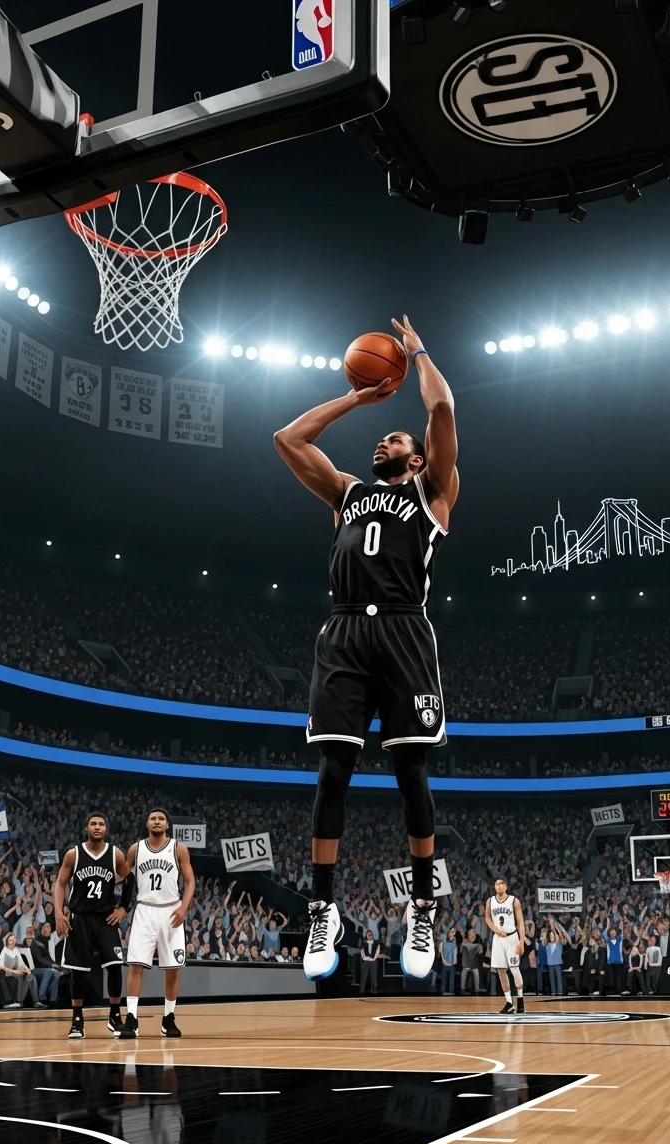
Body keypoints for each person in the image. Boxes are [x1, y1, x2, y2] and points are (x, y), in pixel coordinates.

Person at [274, 315, 459, 983]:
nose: (384, 439)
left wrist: (415, 353)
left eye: (395, 437)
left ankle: (422, 906)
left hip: (407, 630)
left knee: (412, 774)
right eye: (380, 437)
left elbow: (440, 406)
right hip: (346, 629)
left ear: (416, 458)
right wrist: (356, 398)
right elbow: (287, 438)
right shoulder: (347, 494)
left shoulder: (433, 493)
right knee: (334, 773)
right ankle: (322, 909)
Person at [117, 809, 195, 1040]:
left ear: (167, 825)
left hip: (171, 911)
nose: (157, 821)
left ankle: (168, 1019)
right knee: (135, 966)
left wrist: (183, 908)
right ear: (147, 823)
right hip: (144, 910)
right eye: (153, 818)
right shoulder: (136, 848)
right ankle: (131, 1019)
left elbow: (190, 882)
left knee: (172, 969)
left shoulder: (178, 848)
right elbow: (121, 875)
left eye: (161, 819)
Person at [53, 812, 130, 1039]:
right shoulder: (73, 854)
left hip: (106, 918)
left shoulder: (115, 853)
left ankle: (115, 1016)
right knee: (78, 972)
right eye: (93, 824)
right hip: (80, 917)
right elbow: (60, 884)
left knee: (115, 966)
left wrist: (124, 907)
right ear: (86, 827)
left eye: (102, 824)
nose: (97, 827)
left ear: (106, 829)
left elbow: (129, 879)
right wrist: (59, 913)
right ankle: (77, 1020)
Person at [484, 878, 526, 1013]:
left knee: (514, 968)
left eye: (502, 884)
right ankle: (509, 1002)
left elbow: (520, 922)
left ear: (506, 886)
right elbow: (487, 918)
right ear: (494, 886)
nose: (500, 886)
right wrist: (496, 930)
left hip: (512, 937)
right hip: (498, 939)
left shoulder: (514, 901)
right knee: (501, 970)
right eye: (497, 884)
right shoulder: (490, 901)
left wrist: (521, 942)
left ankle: (520, 999)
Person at [0, 932, 44, 1007]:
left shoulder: (16, 950)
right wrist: (14, 971)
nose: (12, 941)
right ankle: (19, 1000)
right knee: (21, 977)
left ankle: (36, 1001)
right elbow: (0, 965)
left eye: (14, 939)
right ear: (7, 941)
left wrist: (28, 970)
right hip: (8, 972)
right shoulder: (4, 950)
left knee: (31, 977)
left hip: (16, 971)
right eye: (10, 940)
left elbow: (21, 963)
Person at [27, 923, 61, 1005]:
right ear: (41, 929)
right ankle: (41, 997)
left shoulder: (50, 941)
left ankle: (53, 999)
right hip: (35, 969)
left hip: (47, 968)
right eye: (46, 926)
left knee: (56, 974)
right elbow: (39, 958)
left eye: (49, 926)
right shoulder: (36, 942)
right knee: (50, 971)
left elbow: (50, 956)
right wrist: (51, 965)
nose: (48, 928)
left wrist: (56, 965)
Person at [460, 928, 483, 994]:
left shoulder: (477, 944)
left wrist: (479, 947)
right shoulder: (465, 941)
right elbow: (467, 946)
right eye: (471, 935)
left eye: (474, 935)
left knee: (476, 972)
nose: (473, 937)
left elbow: (480, 952)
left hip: (474, 964)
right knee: (464, 972)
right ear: (468, 935)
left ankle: (477, 989)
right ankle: (463, 989)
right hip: (466, 964)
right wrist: (478, 945)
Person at [359, 928, 380, 994]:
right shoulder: (363, 944)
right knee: (363, 977)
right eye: (368, 934)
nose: (370, 935)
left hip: (374, 963)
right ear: (366, 936)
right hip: (365, 963)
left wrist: (373, 959)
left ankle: (374, 990)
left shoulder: (377, 943)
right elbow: (362, 955)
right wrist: (368, 959)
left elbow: (377, 952)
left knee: (374, 977)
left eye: (371, 934)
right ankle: (362, 991)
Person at [438, 926, 458, 994]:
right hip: (445, 960)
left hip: (452, 961)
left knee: (452, 978)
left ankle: (451, 991)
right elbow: (440, 950)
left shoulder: (454, 939)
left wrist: (455, 958)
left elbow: (455, 948)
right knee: (444, 978)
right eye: (452, 931)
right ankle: (443, 991)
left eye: (454, 932)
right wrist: (443, 960)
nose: (453, 933)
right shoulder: (443, 937)